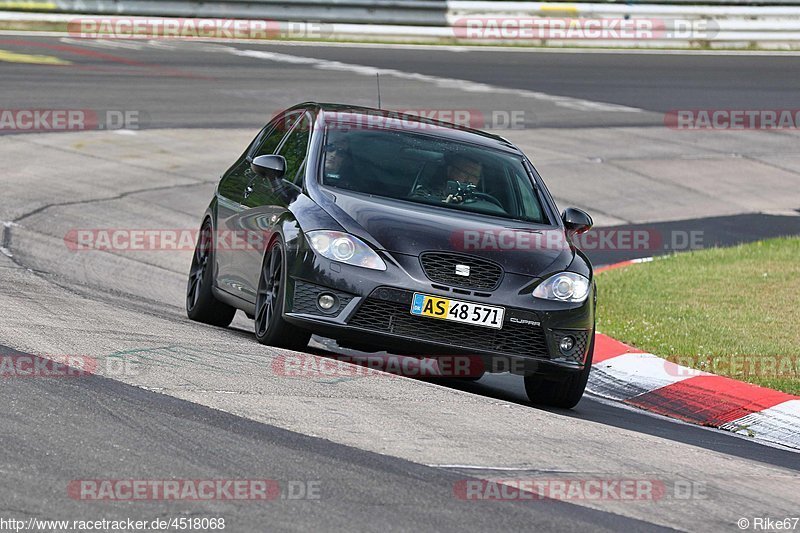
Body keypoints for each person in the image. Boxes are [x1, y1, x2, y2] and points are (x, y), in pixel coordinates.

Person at [411, 153, 483, 204]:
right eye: (465, 173)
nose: (469, 179)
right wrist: (443, 204)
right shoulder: (429, 192)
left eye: (474, 176)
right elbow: (415, 202)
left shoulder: (481, 200)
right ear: (450, 171)